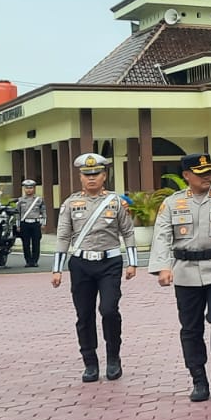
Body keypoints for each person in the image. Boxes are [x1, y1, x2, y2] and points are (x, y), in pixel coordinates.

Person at [147, 153, 211, 402]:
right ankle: (198, 379)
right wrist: (163, 267)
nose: (207, 176)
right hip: (185, 272)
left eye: (209, 172)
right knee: (191, 328)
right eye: (200, 172)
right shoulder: (172, 204)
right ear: (186, 176)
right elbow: (161, 236)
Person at [51, 153, 138, 382]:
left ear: (104, 175)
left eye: (96, 174)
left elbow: (127, 231)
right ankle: (90, 362)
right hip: (81, 264)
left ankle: (113, 358)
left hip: (109, 262)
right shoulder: (71, 203)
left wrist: (132, 262)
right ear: (80, 177)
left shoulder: (116, 202)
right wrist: (57, 269)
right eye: (86, 174)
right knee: (84, 315)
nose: (91, 178)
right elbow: (63, 236)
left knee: (109, 310)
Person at [14, 179, 47, 267]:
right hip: (24, 223)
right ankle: (28, 261)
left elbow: (43, 211)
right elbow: (18, 213)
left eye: (31, 188)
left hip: (35, 223)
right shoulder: (20, 200)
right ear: (24, 189)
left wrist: (43, 223)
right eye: (27, 188)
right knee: (26, 243)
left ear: (34, 188)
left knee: (36, 243)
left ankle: (35, 261)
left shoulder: (39, 200)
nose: (29, 190)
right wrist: (18, 225)